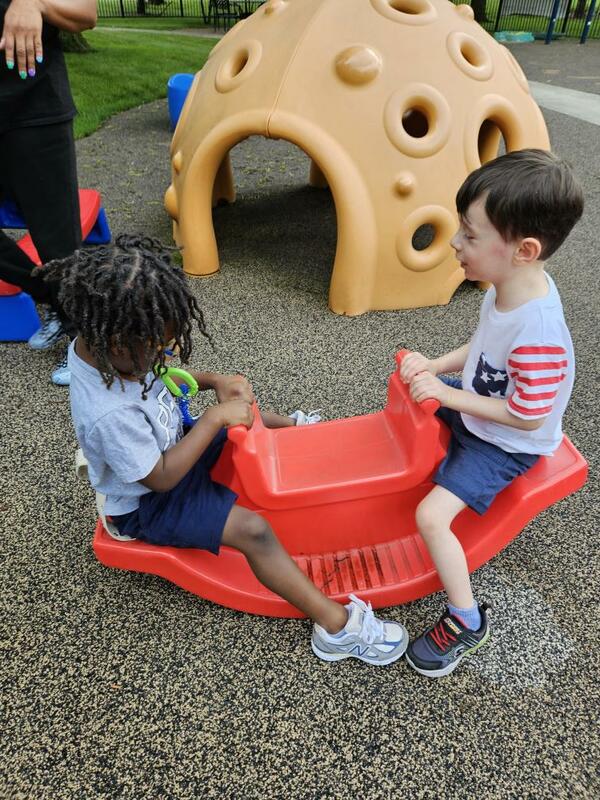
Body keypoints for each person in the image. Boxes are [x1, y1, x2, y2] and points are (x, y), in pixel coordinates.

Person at [38, 234, 409, 666]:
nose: (164, 355)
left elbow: (159, 370)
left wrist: (213, 381)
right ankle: (336, 628)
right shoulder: (108, 413)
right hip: (147, 502)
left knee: (246, 417)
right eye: (156, 347)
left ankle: (296, 429)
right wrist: (214, 418)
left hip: (171, 448)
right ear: (115, 342)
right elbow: (160, 478)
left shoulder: (111, 343)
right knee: (253, 530)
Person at [400, 149, 584, 678]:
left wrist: (447, 394)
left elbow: (526, 417)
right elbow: (481, 347)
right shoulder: (506, 289)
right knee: (411, 404)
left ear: (523, 250)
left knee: (430, 518)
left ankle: (466, 617)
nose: (456, 243)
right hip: (484, 405)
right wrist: (435, 367)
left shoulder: (540, 336)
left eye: (471, 235)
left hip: (505, 442)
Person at [0, 0, 97, 385]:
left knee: (58, 243)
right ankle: (58, 299)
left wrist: (32, 2)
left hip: (33, 109)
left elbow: (85, 13)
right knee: (58, 268)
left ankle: (90, 347)